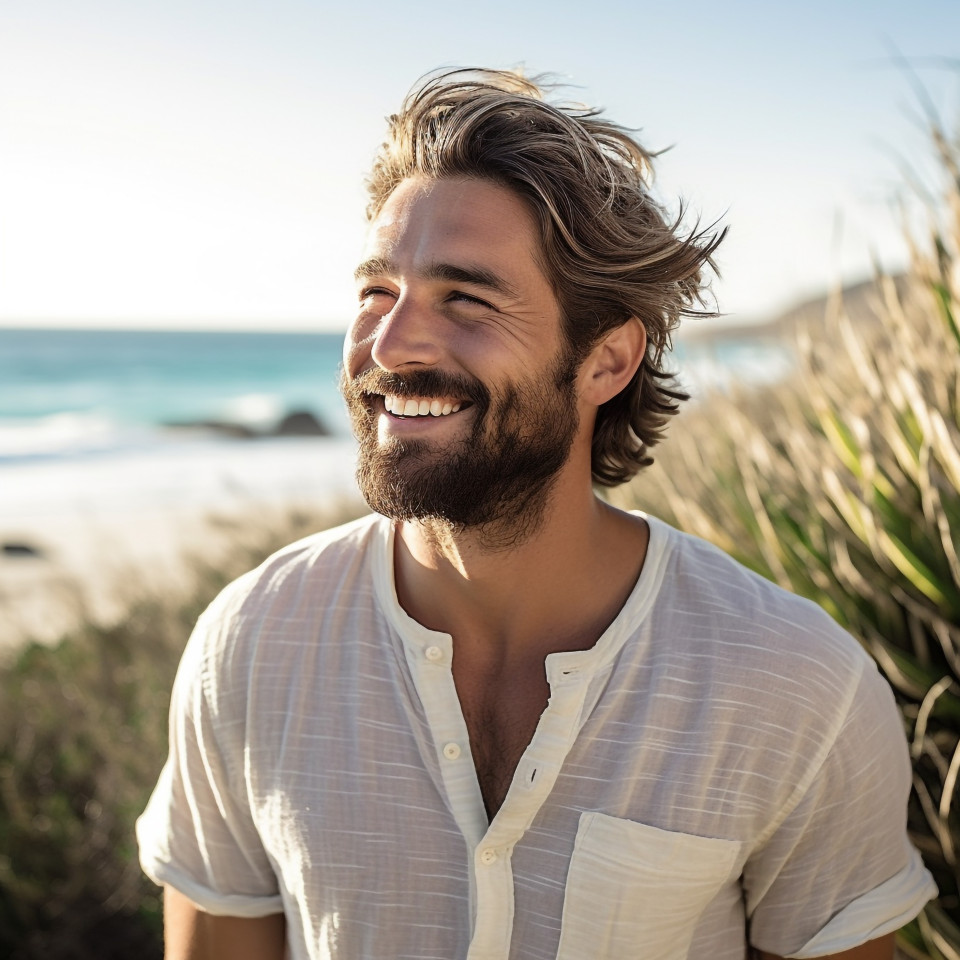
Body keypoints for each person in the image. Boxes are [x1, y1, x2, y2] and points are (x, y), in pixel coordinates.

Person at [137, 68, 936, 960]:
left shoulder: (793, 684)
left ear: (607, 361)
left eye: (466, 299)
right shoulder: (251, 644)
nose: (392, 344)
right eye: (375, 292)